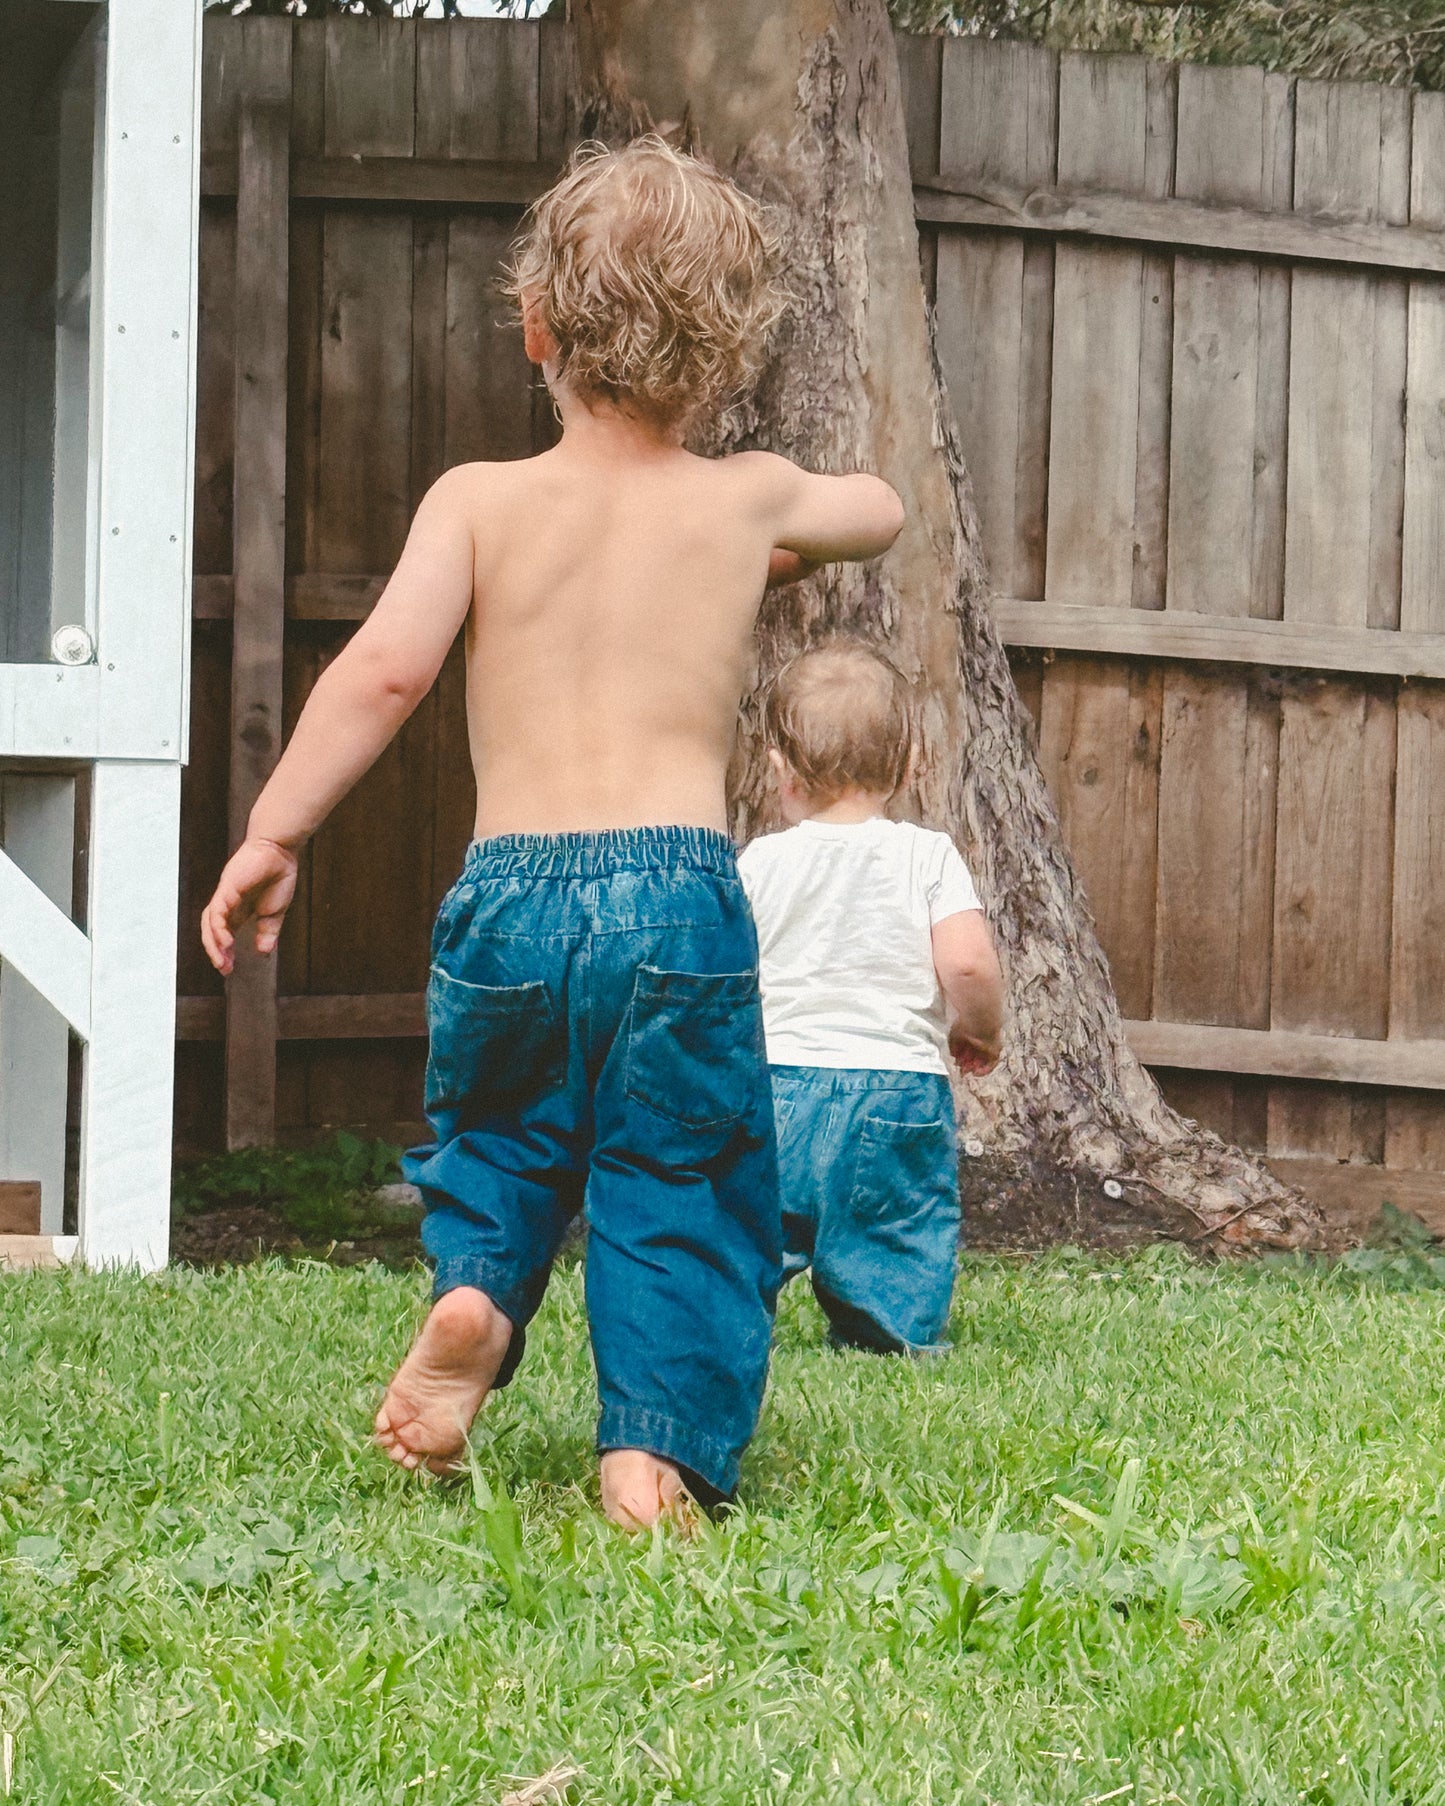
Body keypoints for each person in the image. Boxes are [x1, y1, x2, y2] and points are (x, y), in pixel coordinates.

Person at [198, 138, 905, 1529]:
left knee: (503, 1138)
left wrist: (272, 832)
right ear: (723, 357)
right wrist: (776, 535)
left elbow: (383, 673)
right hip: (679, 894)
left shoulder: (476, 498)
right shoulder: (741, 495)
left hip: (507, 898)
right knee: (679, 1173)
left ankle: (474, 1292)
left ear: (534, 331)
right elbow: (874, 510)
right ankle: (653, 1452)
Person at [737, 641, 1003, 1356]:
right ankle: (888, 1332)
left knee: (754, 1220)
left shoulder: (759, 863)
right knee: (894, 1223)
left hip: (778, 1080)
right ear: (911, 763)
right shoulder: (926, 856)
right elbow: (969, 967)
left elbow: (729, 972)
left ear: (779, 771)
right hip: (895, 1085)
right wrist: (980, 1031)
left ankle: (730, 1316)